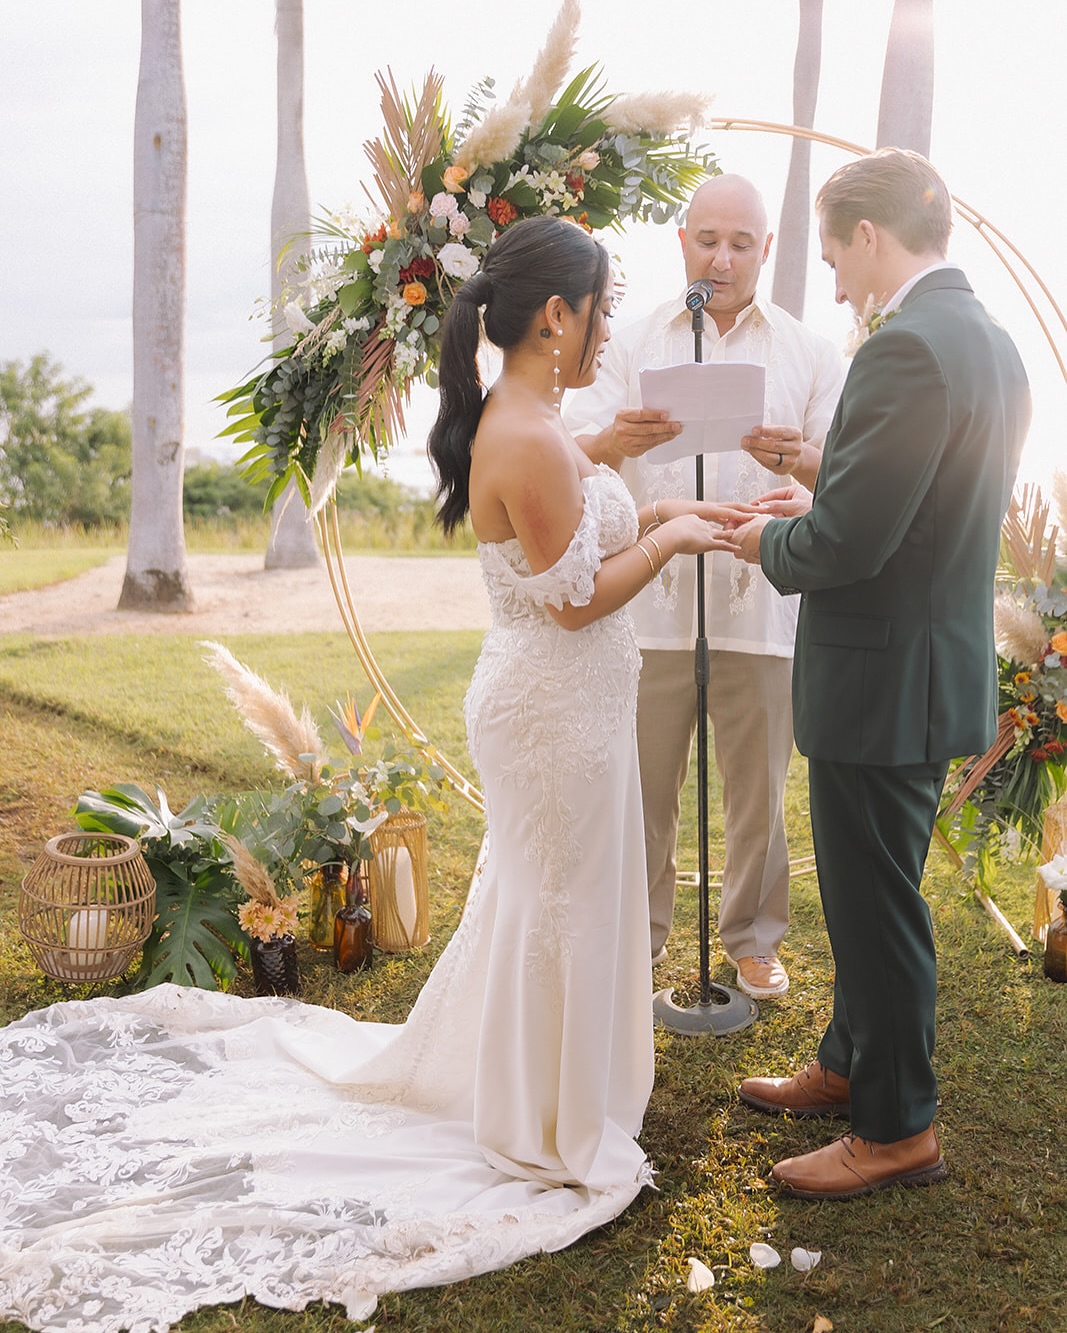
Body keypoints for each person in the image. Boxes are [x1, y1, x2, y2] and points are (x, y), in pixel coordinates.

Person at [0, 216, 736, 1332]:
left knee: (556, 902)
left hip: (563, 705)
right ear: (555, 315)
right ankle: (546, 1124)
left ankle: (547, 1092)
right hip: (552, 712)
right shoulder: (529, 433)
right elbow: (577, 594)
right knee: (560, 906)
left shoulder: (537, 423)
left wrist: (659, 489)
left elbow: (573, 516)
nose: (600, 335)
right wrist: (675, 539)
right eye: (596, 309)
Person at [723, 149, 1031, 1199]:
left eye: (833, 254)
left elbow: (852, 544)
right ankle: (847, 1064)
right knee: (868, 891)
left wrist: (757, 544)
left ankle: (896, 1127)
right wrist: (812, 485)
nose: (835, 278)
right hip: (923, 664)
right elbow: (922, 507)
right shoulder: (986, 342)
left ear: (867, 234)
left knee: (874, 907)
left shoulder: (905, 348)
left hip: (875, 674)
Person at [565, 174, 847, 998]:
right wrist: (616, 436)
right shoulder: (632, 340)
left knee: (757, 790)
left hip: (759, 603)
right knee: (643, 784)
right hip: (648, 604)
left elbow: (845, 475)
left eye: (739, 243)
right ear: (681, 242)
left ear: (766, 249)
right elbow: (576, 460)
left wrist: (793, 455)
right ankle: (642, 934)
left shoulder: (810, 351)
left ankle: (752, 938)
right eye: (706, 240)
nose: (720, 259)